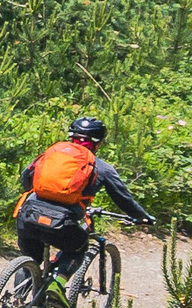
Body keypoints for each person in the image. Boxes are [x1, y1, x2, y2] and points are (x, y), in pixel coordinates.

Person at [14, 116, 155, 296]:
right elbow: (123, 198)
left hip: (28, 215)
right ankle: (56, 286)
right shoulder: (101, 167)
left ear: (72, 136)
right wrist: (141, 216)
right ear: (98, 143)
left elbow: (26, 177)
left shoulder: (52, 154)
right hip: (61, 223)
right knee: (79, 246)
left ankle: (16, 302)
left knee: (31, 258)